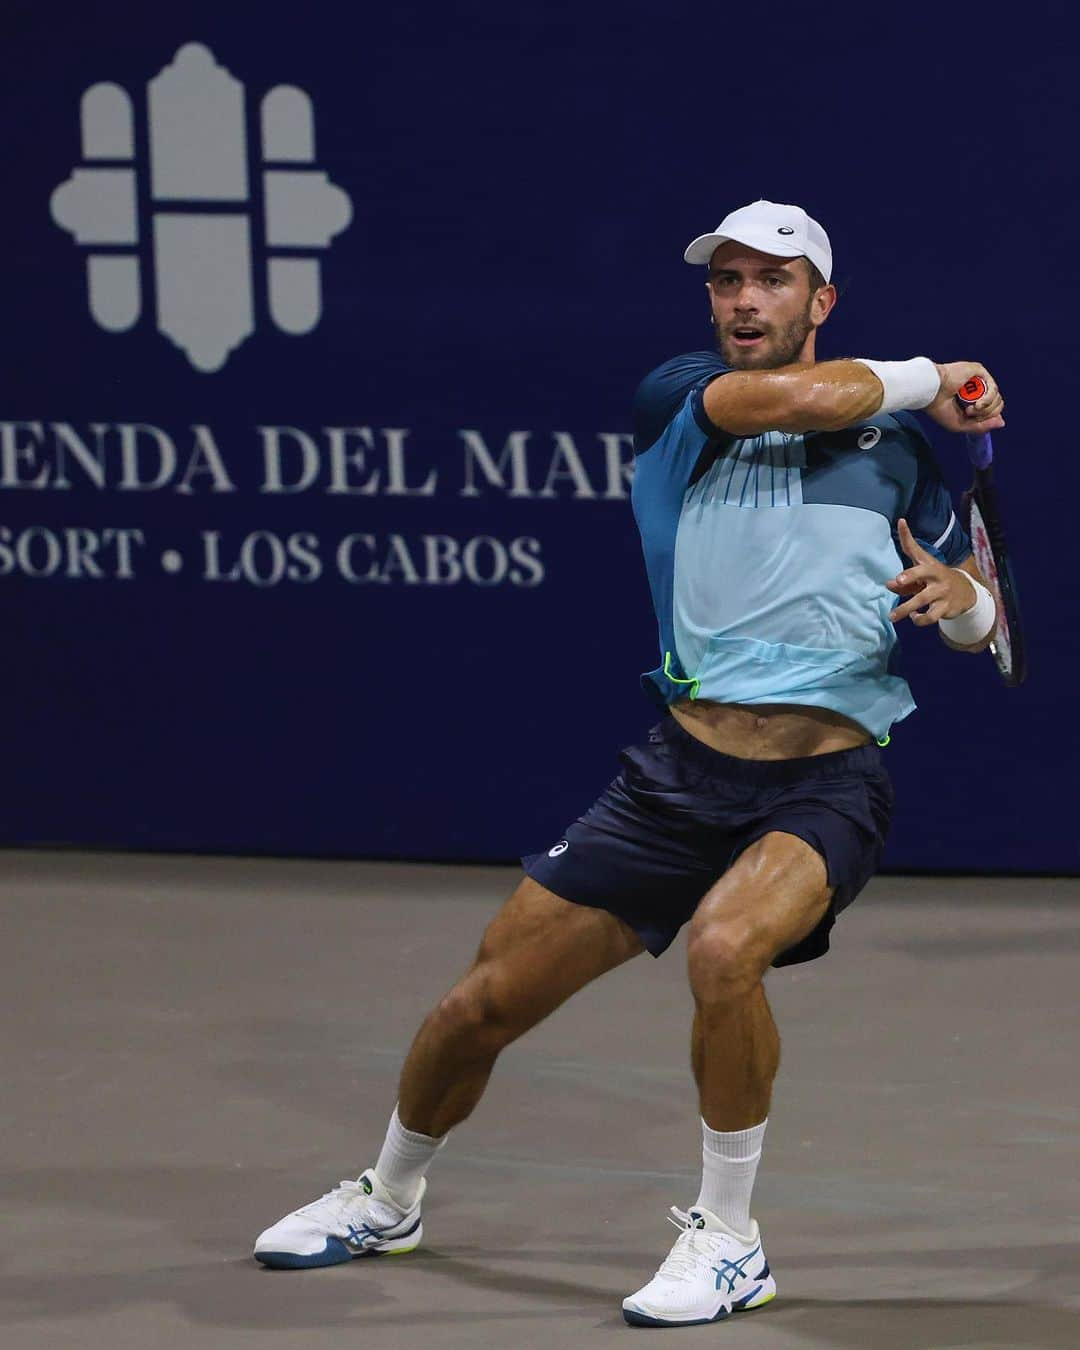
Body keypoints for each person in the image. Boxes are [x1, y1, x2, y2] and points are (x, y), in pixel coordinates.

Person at [253, 200, 1003, 1327]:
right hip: (675, 777)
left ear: (820, 300)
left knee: (723, 950)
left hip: (823, 782)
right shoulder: (684, 400)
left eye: (773, 281)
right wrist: (933, 372)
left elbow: (980, 617)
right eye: (728, 280)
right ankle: (389, 1195)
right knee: (479, 1006)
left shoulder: (895, 450)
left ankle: (731, 1239)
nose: (745, 300)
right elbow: (793, 398)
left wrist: (964, 603)